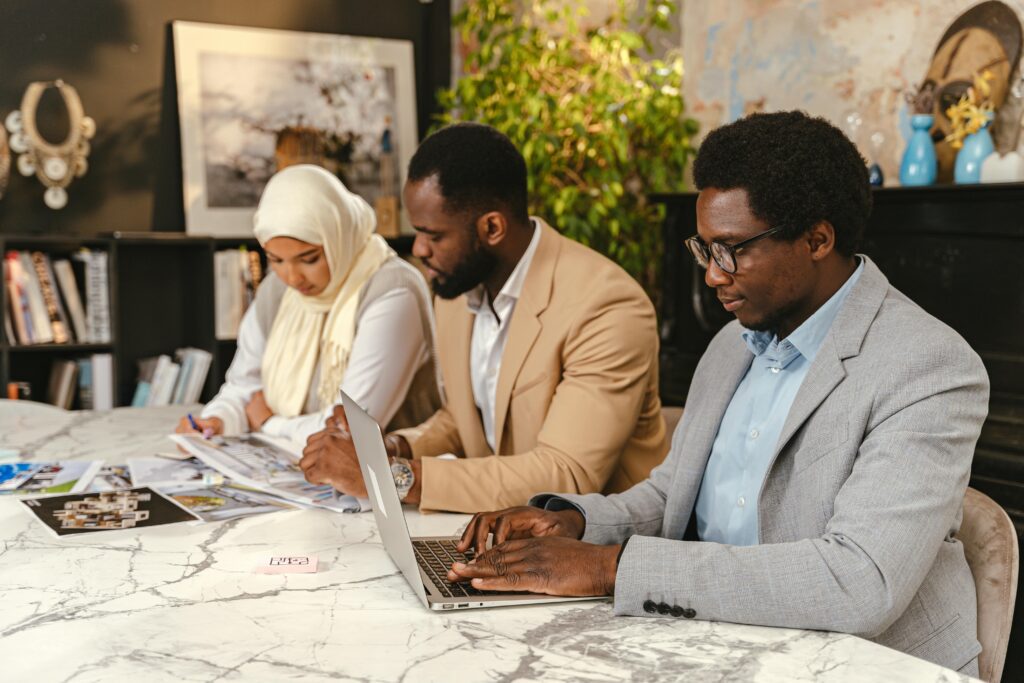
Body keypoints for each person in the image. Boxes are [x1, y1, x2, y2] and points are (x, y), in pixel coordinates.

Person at [445, 111, 989, 676]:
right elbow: (672, 496)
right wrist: (576, 523)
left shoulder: (928, 366)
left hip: (864, 664)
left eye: (731, 249)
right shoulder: (733, 345)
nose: (712, 275)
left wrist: (609, 566)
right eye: (704, 249)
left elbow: (858, 580)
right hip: (725, 643)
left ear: (818, 239)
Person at [299, 123, 669, 512]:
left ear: (491, 227)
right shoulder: (458, 287)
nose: (419, 249)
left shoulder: (607, 306)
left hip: (597, 548)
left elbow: (567, 474)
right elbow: (465, 418)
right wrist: (391, 445)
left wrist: (390, 475)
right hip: (502, 533)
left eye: (433, 235)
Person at [176, 164, 440, 444]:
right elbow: (244, 386)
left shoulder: (393, 289)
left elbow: (350, 429)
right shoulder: (276, 290)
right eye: (276, 260)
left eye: (309, 258)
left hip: (391, 477)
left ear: (338, 236)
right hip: (300, 469)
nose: (291, 277)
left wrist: (268, 423)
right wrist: (216, 421)